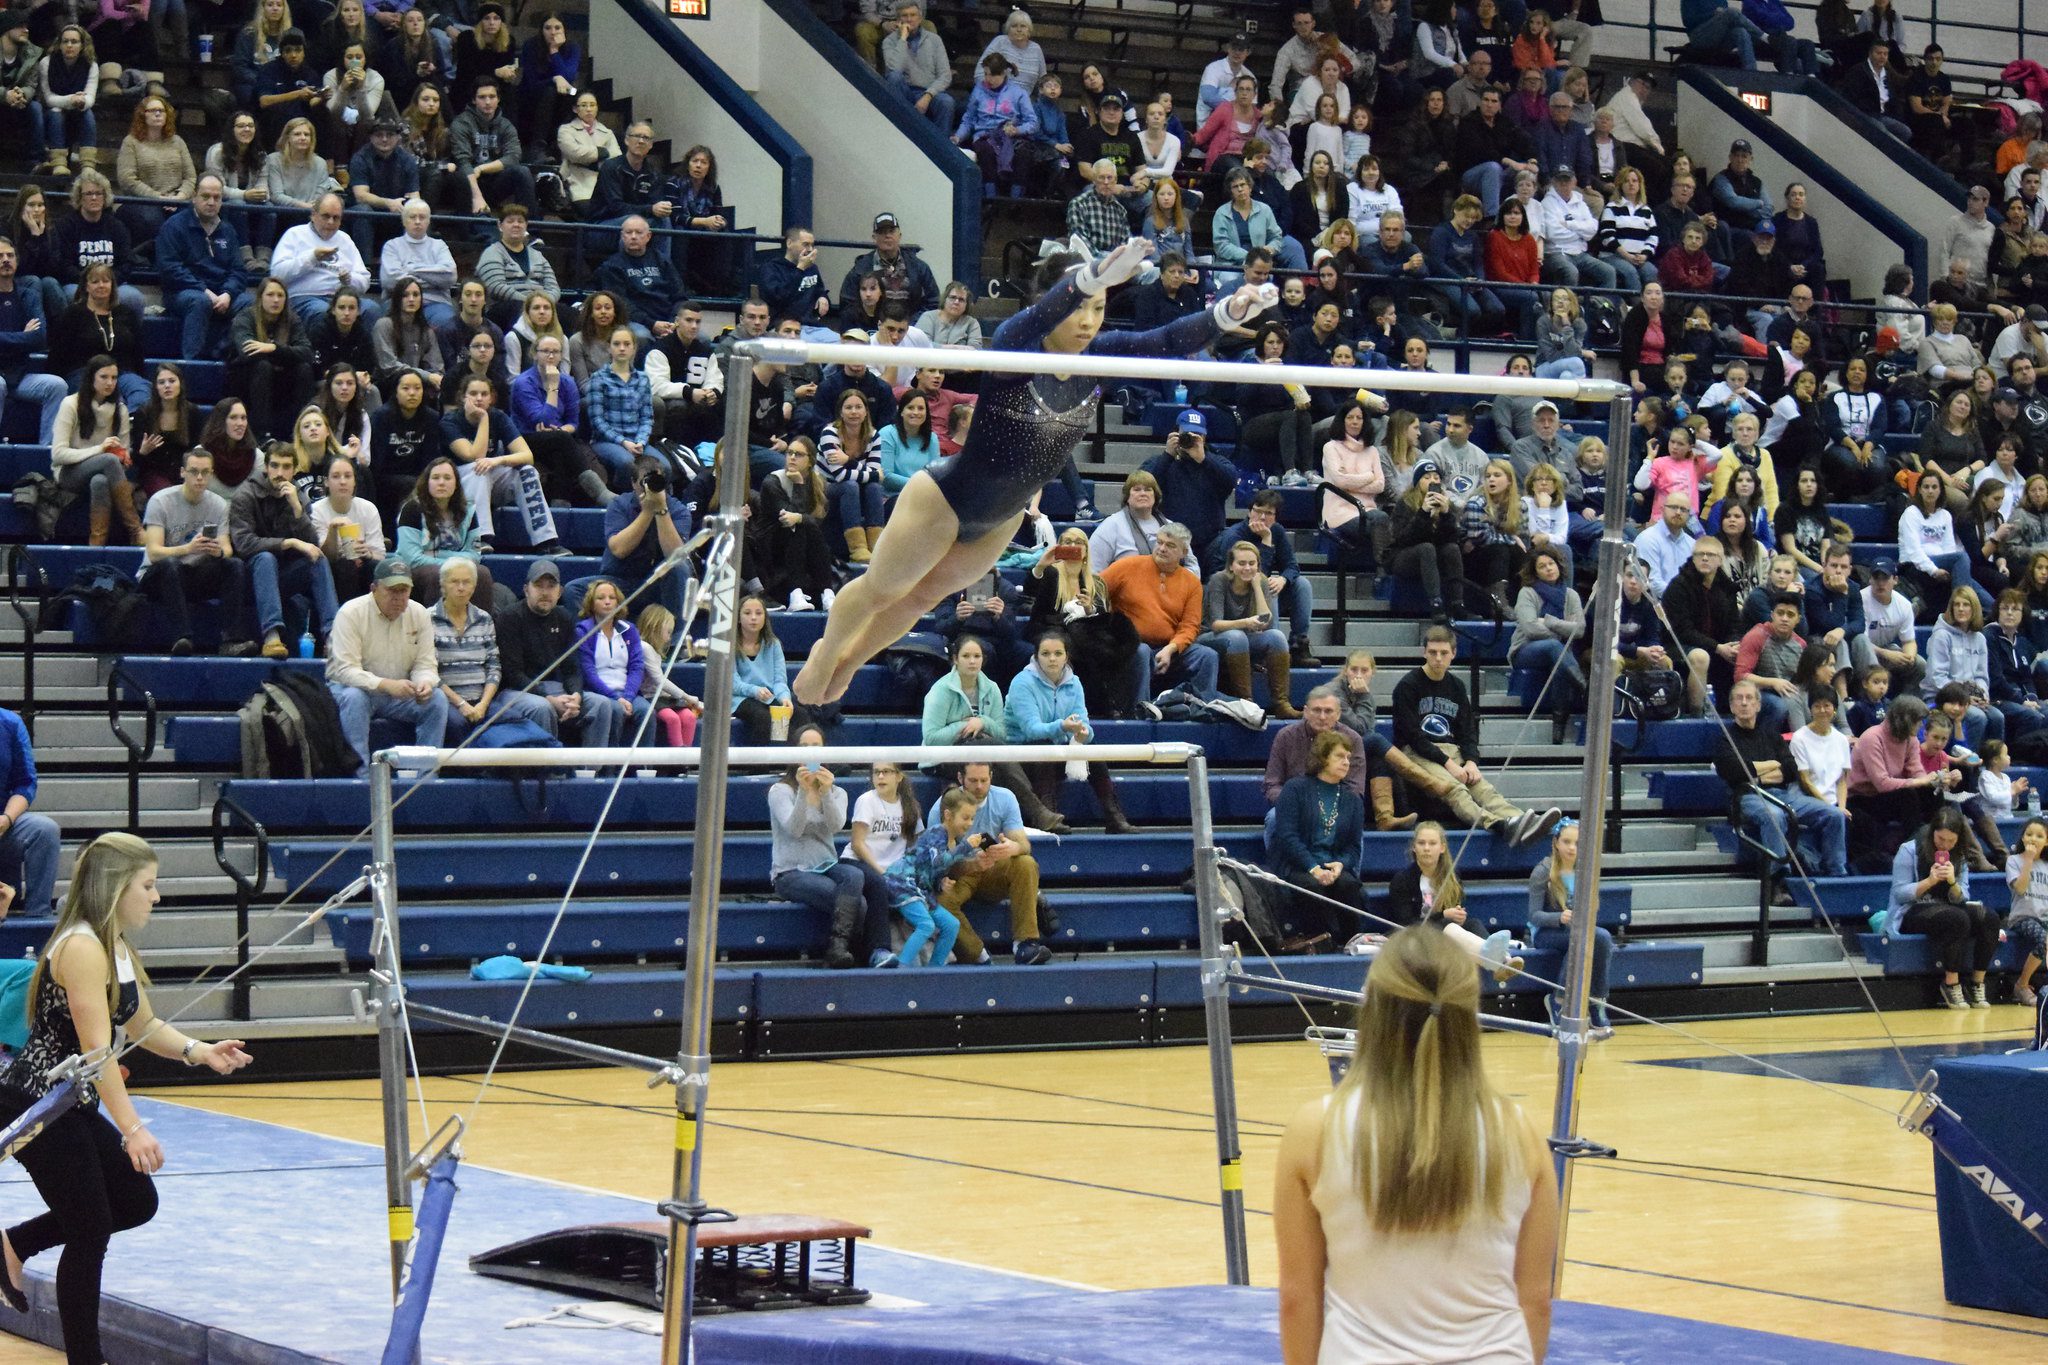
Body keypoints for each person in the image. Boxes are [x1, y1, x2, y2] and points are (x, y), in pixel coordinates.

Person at [796, 242, 1269, 705]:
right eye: (1077, 308)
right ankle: (826, 652)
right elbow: (1031, 320)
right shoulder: (1016, 351)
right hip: (946, 499)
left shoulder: (1099, 359)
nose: (1087, 321)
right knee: (884, 588)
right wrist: (1091, 278)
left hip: (999, 519)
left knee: (917, 601)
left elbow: (1164, 340)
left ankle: (852, 658)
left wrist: (1225, 313)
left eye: (1099, 307)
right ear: (1050, 305)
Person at [0, 833, 254, 1365]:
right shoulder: (82, 947)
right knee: (90, 1227)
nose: (156, 896)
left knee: (135, 1201)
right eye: (148, 885)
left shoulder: (114, 944)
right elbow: (98, 1052)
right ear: (116, 888)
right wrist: (134, 1128)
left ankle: (14, 1245)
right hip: (35, 1103)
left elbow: (142, 1024)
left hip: (69, 1100)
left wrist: (200, 1051)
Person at [1273, 921, 1557, 1363]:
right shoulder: (1519, 1132)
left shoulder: (1315, 1130)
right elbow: (1535, 1299)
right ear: (1468, 1017)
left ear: (1375, 1012)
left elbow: (1297, 1298)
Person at [1396, 626, 1560, 843]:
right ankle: (1498, 824)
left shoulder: (1456, 686)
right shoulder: (1407, 685)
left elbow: (1467, 731)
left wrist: (1471, 761)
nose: (1438, 658)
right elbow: (1413, 736)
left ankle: (1522, 821)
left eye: (1443, 653)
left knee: (1485, 789)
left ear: (1453, 654)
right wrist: (1448, 764)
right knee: (1455, 789)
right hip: (1418, 754)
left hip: (1452, 752)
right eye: (1433, 652)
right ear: (1424, 652)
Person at [1716, 677, 1851, 892]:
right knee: (1775, 815)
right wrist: (1770, 766)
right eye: (1739, 699)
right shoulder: (1726, 738)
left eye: (1749, 698)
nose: (1744, 703)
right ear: (1731, 706)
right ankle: (1779, 880)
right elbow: (1733, 771)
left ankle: (1837, 874)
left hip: (1783, 794)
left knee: (1833, 814)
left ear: (1758, 705)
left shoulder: (1771, 735)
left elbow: (1789, 769)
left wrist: (1755, 770)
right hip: (1747, 796)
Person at [324, 556, 446, 767]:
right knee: (354, 698)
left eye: (404, 590)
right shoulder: (350, 613)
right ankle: (360, 776)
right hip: (354, 689)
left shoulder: (419, 614)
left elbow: (425, 663)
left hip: (399, 692)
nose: (399, 597)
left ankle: (424, 776)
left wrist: (425, 681)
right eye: (392, 590)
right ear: (374, 588)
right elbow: (345, 670)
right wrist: (385, 685)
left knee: (436, 700)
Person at [935, 761, 1053, 966]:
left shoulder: (1005, 797)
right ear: (960, 779)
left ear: (991, 777)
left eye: (984, 780)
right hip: (960, 873)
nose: (979, 786)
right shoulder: (942, 807)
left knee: (1025, 862)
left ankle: (1026, 944)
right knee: (939, 900)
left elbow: (1024, 844)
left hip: (993, 869)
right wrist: (971, 865)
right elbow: (937, 863)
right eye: (973, 781)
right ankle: (977, 954)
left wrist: (1012, 848)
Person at [141, 448, 253, 657]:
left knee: (235, 565)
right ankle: (182, 637)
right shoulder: (160, 501)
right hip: (158, 575)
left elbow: (227, 550)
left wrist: (217, 552)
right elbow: (154, 552)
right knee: (170, 565)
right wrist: (188, 548)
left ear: (211, 474)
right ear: (182, 472)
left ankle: (232, 640)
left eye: (205, 472)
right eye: (194, 472)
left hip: (194, 574)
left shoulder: (218, 504)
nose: (199, 478)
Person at [1890, 805, 2000, 1009]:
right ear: (1933, 833)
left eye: (1951, 841)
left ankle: (1977, 983)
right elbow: (1900, 893)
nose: (1945, 845)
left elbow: (1963, 896)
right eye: (1941, 839)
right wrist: (1930, 881)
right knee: (1956, 919)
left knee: (1989, 917)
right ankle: (1951, 984)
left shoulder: (1960, 855)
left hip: (1949, 906)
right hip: (1912, 910)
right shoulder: (1910, 850)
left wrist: (1952, 882)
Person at [1102, 522, 1222, 706]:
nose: (1162, 548)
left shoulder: (1191, 582)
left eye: (1170, 545)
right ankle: (1139, 711)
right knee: (1141, 651)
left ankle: (1201, 710)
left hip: (1169, 648)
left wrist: (1171, 648)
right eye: (1159, 542)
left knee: (1207, 655)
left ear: (1184, 552)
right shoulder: (1127, 566)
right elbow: (1095, 589)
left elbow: (1190, 626)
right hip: (1130, 644)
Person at [1528, 817, 1614, 1036]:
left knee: (1602, 937)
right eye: (1566, 842)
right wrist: (1559, 917)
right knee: (1583, 939)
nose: (1572, 848)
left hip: (1575, 931)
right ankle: (1559, 1000)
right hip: (1547, 932)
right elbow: (1534, 916)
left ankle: (1596, 1001)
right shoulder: (1542, 871)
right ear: (1556, 842)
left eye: (1577, 843)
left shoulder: (1585, 871)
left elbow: (1593, 909)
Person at [51, 357, 141, 548]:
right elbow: (58, 454)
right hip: (69, 473)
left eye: (114, 377)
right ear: (91, 378)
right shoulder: (70, 404)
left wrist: (122, 455)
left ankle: (96, 545)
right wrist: (100, 450)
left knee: (99, 481)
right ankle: (136, 528)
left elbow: (124, 453)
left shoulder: (120, 409)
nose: (110, 383)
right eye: (104, 377)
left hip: (106, 474)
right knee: (108, 460)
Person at [1511, 546, 1585, 745]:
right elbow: (1531, 629)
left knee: (1559, 662)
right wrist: (1563, 628)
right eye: (1542, 566)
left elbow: (1579, 630)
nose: (1549, 569)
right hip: (1525, 650)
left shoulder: (1571, 595)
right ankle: (1584, 687)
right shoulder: (1527, 593)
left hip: (1558, 652)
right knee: (1555, 647)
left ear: (1559, 565)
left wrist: (1550, 622)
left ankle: (1559, 724)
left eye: (1551, 564)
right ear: (1535, 572)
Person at [271, 192, 377, 330]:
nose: (330, 222)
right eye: (326, 216)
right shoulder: (295, 234)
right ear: (313, 214)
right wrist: (312, 258)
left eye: (336, 218)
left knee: (371, 309)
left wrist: (349, 280)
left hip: (342, 299)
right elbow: (277, 275)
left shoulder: (345, 239)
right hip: (305, 298)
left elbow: (364, 281)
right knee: (322, 312)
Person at [0, 705, 59, 919]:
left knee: (44, 830)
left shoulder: (10, 723)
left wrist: (6, 819)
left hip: (3, 827)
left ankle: (38, 918)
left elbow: (25, 783)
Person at [448, 78, 535, 217]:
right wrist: (477, 197)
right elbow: (462, 161)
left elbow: (513, 157)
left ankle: (531, 231)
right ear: (474, 100)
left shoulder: (506, 125)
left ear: (498, 99)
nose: (487, 102)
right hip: (468, 182)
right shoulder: (461, 123)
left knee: (522, 172)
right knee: (461, 176)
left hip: (494, 180)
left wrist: (482, 168)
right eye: (482, 97)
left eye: (492, 97)